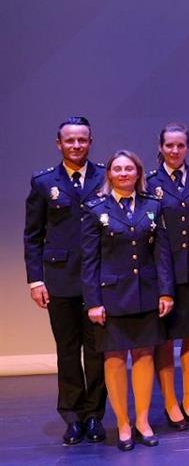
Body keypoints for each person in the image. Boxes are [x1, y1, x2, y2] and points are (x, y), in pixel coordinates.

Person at [23, 116, 108, 445]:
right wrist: (35, 281)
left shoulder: (105, 176)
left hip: (99, 279)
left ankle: (94, 416)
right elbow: (33, 235)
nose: (76, 145)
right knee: (68, 351)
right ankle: (72, 416)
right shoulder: (44, 182)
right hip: (59, 280)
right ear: (59, 144)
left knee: (98, 351)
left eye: (82, 140)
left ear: (90, 142)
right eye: (70, 140)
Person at [81, 151, 175, 450]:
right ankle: (122, 423)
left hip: (146, 293)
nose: (123, 173)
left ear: (138, 173)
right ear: (109, 174)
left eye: (129, 168)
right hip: (112, 296)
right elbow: (89, 261)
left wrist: (166, 291)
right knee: (115, 358)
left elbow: (162, 253)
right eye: (117, 169)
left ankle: (143, 420)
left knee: (145, 355)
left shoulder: (152, 205)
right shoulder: (95, 209)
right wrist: (93, 301)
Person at [146, 124, 189, 430]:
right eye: (169, 145)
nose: (175, 151)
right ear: (160, 147)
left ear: (188, 147)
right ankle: (171, 403)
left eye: (180, 145)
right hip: (163, 273)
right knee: (165, 340)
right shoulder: (148, 182)